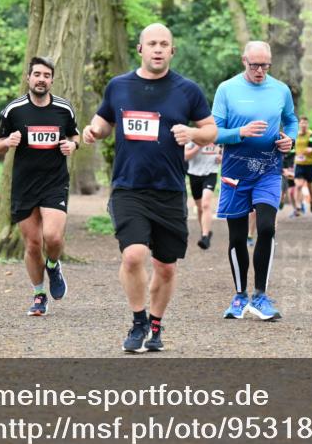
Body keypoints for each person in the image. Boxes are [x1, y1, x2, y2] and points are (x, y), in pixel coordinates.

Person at [83, 23, 216, 353]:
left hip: (169, 189)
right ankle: (139, 319)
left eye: (164, 44)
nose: (158, 49)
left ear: (172, 51)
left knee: (166, 268)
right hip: (129, 187)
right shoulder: (119, 86)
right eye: (152, 43)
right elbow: (103, 120)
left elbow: (211, 130)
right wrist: (93, 131)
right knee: (133, 255)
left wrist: (193, 134)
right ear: (140, 49)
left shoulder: (187, 91)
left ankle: (156, 325)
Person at [213, 40, 298, 321]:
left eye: (265, 65)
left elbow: (291, 120)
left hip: (269, 170)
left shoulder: (281, 90)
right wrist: (241, 132)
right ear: (243, 61)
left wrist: (290, 139)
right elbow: (214, 132)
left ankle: (260, 296)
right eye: (254, 65)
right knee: (237, 236)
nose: (260, 71)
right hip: (235, 172)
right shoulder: (227, 89)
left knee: (266, 228)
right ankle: (239, 296)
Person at [0, 56, 79, 317]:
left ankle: (53, 264)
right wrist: (8, 141)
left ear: (52, 80)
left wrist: (73, 145)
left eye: (46, 75)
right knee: (32, 244)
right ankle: (39, 295)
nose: (41, 79)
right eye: (37, 74)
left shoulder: (64, 109)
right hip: (24, 185)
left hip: (54, 182)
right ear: (29, 78)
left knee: (52, 237)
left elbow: (74, 135)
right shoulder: (13, 110)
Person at [185, 141, 221, 249]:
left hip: (211, 173)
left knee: (206, 204)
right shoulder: (193, 138)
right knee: (200, 207)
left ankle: (205, 237)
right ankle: (205, 231)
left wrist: (221, 157)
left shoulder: (218, 138)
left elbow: (224, 154)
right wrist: (199, 146)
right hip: (194, 174)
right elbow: (185, 156)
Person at [293, 115, 312, 214]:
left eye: (305, 123)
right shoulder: (296, 134)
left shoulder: (311, 134)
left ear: (308, 124)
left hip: (309, 164)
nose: (303, 125)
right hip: (299, 164)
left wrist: (310, 150)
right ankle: (298, 206)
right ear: (299, 124)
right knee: (299, 185)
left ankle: (311, 201)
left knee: (310, 187)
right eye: (302, 123)